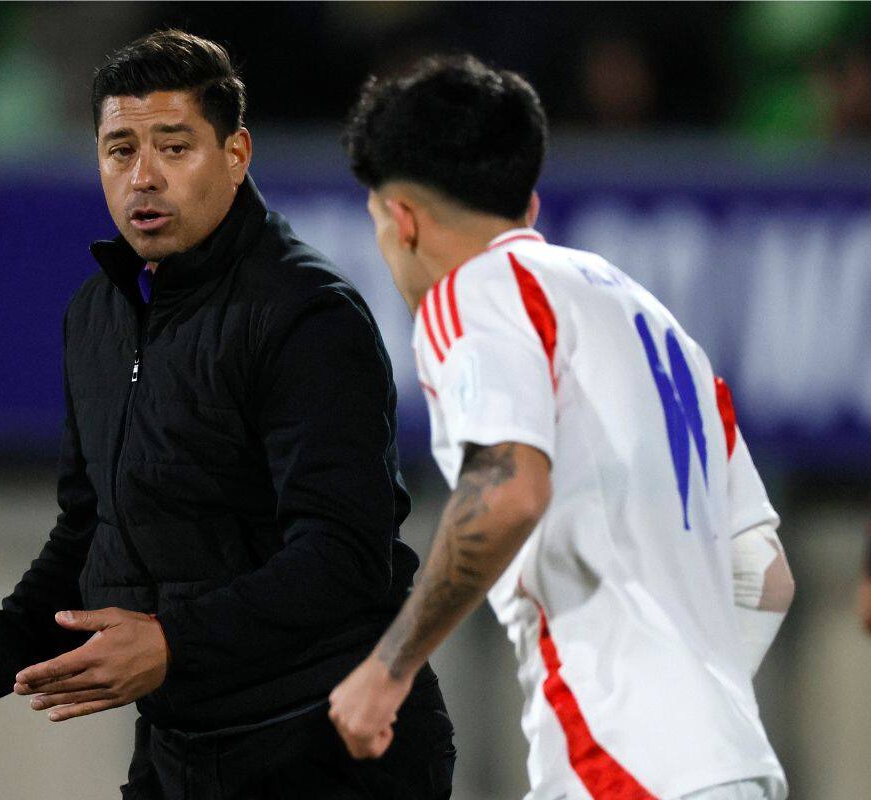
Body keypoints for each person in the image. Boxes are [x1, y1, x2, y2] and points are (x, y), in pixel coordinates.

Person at [0, 29, 456, 799]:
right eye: (120, 150)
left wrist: (171, 642)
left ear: (236, 154)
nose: (144, 177)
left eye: (175, 146)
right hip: (181, 752)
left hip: (332, 750)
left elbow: (343, 557)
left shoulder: (306, 316)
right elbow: (90, 533)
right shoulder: (97, 315)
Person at [327, 55, 795, 800]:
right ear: (530, 206)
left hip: (618, 765)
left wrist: (390, 669)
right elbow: (764, 572)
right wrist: (693, 725)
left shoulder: (470, 293)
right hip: (728, 764)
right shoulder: (654, 320)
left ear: (402, 219)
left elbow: (510, 488)